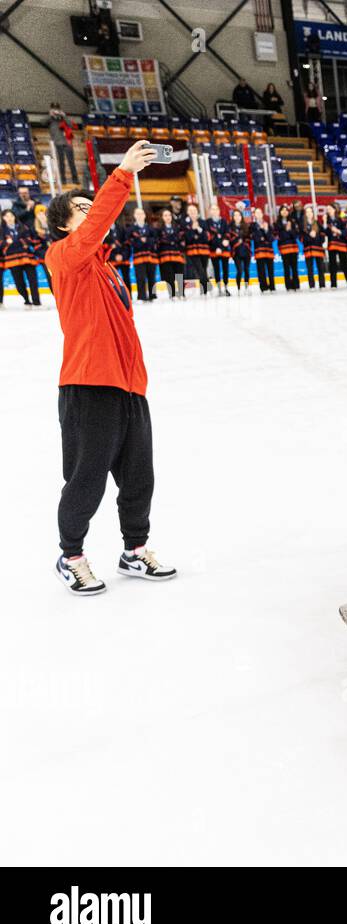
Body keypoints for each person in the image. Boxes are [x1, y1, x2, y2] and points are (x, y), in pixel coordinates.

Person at [44, 140, 176, 594]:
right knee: (87, 478)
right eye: (83, 207)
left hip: (128, 386)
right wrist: (121, 176)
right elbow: (98, 221)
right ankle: (72, 555)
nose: (93, 210)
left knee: (140, 476)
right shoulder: (65, 257)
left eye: (90, 204)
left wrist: (138, 380)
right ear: (64, 223)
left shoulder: (105, 268)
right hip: (88, 384)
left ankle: (134, 551)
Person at [1, 208, 41, 307]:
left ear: (15, 217)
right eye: (7, 216)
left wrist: (13, 242)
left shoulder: (23, 227)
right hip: (12, 260)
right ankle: (26, 299)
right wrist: (10, 243)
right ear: (3, 218)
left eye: (11, 216)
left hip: (27, 257)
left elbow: (28, 241)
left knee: (33, 280)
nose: (9, 218)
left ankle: (36, 301)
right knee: (19, 283)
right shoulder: (1, 230)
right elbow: (2, 245)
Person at [155, 208, 186, 299]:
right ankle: (172, 294)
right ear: (162, 217)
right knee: (169, 276)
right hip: (165, 256)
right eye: (165, 215)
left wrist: (172, 242)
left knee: (180, 275)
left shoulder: (178, 227)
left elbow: (182, 240)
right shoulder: (158, 229)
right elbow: (158, 242)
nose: (168, 217)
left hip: (177, 254)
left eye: (169, 215)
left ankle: (181, 293)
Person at [183, 202, 210, 296]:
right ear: (187, 212)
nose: (192, 212)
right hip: (192, 250)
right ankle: (207, 285)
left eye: (194, 210)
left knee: (204, 269)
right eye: (190, 211)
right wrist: (191, 229)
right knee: (199, 269)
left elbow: (206, 237)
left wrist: (198, 228)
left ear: (197, 211)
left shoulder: (203, 222)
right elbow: (187, 238)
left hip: (204, 250)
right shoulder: (184, 223)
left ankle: (205, 290)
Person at [205, 202, 232, 296]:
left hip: (224, 250)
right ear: (210, 211)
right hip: (213, 250)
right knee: (216, 269)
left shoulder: (224, 221)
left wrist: (221, 246)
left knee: (225, 269)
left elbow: (227, 234)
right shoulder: (207, 222)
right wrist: (216, 247)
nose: (215, 211)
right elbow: (209, 236)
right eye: (212, 209)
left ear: (219, 211)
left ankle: (226, 287)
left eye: (216, 209)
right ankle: (219, 288)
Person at [49, 103, 79, 184]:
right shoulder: (50, 120)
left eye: (57, 109)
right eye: (54, 109)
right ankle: (63, 180)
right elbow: (42, 122)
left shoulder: (64, 118)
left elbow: (71, 125)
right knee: (61, 163)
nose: (56, 111)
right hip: (57, 144)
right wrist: (51, 115)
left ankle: (75, 179)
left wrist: (64, 115)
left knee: (71, 162)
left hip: (67, 143)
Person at [250, 206, 276, 292]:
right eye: (256, 213)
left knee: (270, 270)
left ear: (262, 214)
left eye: (260, 212)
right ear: (254, 215)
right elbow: (255, 238)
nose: (258, 214)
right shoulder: (252, 225)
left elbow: (271, 238)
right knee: (261, 270)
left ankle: (272, 286)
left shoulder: (267, 224)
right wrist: (261, 233)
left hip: (269, 250)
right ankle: (263, 287)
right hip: (259, 251)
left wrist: (266, 230)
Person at [276, 205, 301, 291]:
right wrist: (287, 232)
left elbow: (295, 235)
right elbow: (280, 236)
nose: (284, 212)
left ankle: (296, 285)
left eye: (286, 210)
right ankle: (288, 286)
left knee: (294, 267)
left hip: (293, 248)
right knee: (286, 268)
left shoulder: (293, 222)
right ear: (280, 212)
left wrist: (289, 230)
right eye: (282, 210)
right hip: (284, 248)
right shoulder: (277, 223)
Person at [301, 206, 326, 289]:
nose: (309, 213)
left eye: (310, 212)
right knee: (310, 268)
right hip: (308, 248)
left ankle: (322, 284)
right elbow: (301, 237)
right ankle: (312, 285)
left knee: (320, 267)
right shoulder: (303, 225)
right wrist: (309, 236)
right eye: (307, 212)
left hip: (318, 248)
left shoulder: (317, 223)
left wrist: (316, 237)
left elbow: (322, 234)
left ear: (313, 213)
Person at [229, 208, 252, 292]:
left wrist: (244, 242)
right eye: (235, 215)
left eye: (238, 215)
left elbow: (249, 238)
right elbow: (229, 240)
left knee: (246, 270)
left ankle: (246, 287)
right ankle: (238, 288)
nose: (237, 217)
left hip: (246, 251)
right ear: (233, 217)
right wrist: (237, 240)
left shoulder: (246, 226)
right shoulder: (230, 227)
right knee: (239, 270)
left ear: (241, 216)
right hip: (236, 252)